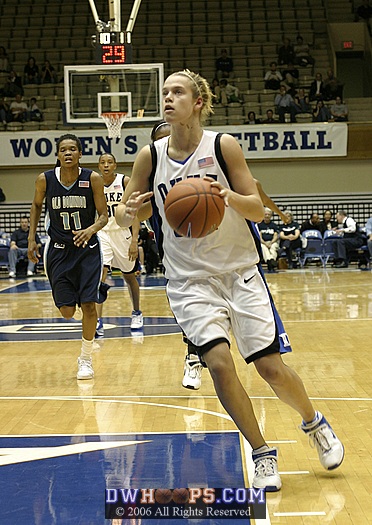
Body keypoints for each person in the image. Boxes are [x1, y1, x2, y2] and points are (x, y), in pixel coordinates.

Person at [115, 69, 344, 491]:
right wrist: (128, 214)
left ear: (198, 102)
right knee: (219, 366)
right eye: (165, 92)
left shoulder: (223, 146)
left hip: (240, 273)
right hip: (189, 280)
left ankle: (313, 423)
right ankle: (261, 452)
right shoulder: (150, 156)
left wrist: (225, 198)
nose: (168, 98)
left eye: (177, 92)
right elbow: (129, 212)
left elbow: (256, 209)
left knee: (270, 369)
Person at [28, 134, 109, 380]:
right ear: (58, 154)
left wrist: (90, 230)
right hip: (59, 251)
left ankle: (85, 359)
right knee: (66, 311)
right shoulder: (45, 179)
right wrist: (32, 238)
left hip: (87, 250)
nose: (68, 153)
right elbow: (36, 206)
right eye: (63, 149)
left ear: (80, 153)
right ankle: (96, 289)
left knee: (88, 307)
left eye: (73, 149)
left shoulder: (92, 179)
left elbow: (104, 215)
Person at [95, 152, 143, 339]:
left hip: (123, 233)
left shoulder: (124, 181)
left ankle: (137, 313)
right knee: (101, 275)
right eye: (102, 162)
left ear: (115, 165)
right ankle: (97, 321)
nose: (106, 165)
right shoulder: (94, 182)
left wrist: (134, 240)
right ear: (99, 166)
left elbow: (135, 213)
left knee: (129, 276)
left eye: (109, 162)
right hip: (103, 233)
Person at [258, 208, 280, 272]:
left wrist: (271, 243)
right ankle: (270, 261)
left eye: (268, 214)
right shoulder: (259, 225)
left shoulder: (274, 225)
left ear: (271, 216)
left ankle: (271, 261)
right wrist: (265, 243)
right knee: (263, 248)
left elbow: (275, 236)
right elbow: (259, 237)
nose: (267, 216)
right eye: (265, 214)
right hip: (263, 242)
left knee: (274, 247)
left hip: (272, 242)